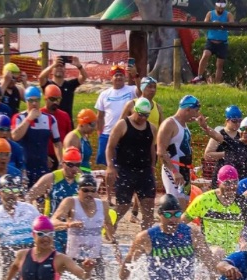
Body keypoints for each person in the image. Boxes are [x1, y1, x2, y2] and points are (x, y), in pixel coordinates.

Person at [119, 194, 218, 280]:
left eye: (177, 214)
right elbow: (128, 262)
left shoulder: (192, 234)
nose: (173, 219)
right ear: (159, 214)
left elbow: (210, 263)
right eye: (168, 215)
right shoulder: (146, 237)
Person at [157, 95, 223, 207]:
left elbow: (220, 139)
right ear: (187, 109)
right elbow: (161, 151)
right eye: (196, 111)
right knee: (176, 205)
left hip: (185, 171)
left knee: (185, 207)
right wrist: (174, 172)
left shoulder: (184, 126)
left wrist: (205, 127)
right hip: (174, 169)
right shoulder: (170, 124)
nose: (197, 115)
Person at [51, 172, 116, 280]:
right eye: (85, 190)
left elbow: (109, 225)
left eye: (92, 191)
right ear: (78, 190)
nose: (89, 194)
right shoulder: (70, 202)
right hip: (74, 258)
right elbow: (52, 222)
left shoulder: (103, 205)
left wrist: (114, 244)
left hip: (95, 258)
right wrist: (68, 224)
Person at [106, 96, 157, 231]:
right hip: (125, 170)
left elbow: (152, 149)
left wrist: (152, 167)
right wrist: (110, 166)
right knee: (123, 206)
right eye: (140, 115)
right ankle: (110, 229)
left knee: (149, 209)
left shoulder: (152, 128)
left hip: (144, 171)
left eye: (146, 115)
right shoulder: (122, 125)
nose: (143, 118)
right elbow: (110, 147)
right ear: (134, 110)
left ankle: (145, 237)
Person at [25, 149, 85, 253]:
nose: (74, 168)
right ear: (63, 163)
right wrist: (36, 219)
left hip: (74, 231)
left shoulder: (81, 181)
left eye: (77, 165)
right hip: (53, 231)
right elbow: (29, 197)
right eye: (70, 165)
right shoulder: (51, 178)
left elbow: (94, 202)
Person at [184, 165, 245, 256]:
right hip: (210, 249)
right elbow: (182, 222)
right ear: (218, 183)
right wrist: (196, 235)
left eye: (234, 182)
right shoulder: (204, 200)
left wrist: (243, 242)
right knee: (219, 252)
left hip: (234, 252)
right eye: (227, 183)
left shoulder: (243, 202)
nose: (231, 187)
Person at [13, 86, 63, 187]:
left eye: (37, 100)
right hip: (24, 168)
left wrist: (61, 161)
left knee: (43, 195)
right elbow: (15, 136)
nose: (34, 103)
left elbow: (57, 143)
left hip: (42, 168)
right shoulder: (19, 117)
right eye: (31, 101)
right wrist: (29, 119)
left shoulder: (50, 119)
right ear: (26, 101)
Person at [95, 64, 139, 166]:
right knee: (106, 164)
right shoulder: (104, 94)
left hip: (125, 134)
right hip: (107, 133)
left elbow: (141, 93)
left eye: (121, 75)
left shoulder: (131, 90)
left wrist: (135, 75)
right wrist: (100, 134)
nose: (118, 77)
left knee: (124, 163)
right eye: (116, 75)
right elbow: (100, 116)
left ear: (125, 77)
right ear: (111, 78)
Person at [206, 107, 247, 189]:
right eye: (234, 121)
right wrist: (227, 153)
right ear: (227, 120)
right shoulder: (231, 143)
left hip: (243, 183)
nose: (237, 123)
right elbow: (214, 138)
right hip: (225, 179)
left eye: (239, 121)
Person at [192, 2, 234, 85]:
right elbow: (205, 23)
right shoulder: (210, 14)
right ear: (216, 6)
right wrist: (213, 23)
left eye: (222, 8)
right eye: (219, 8)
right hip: (211, 41)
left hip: (222, 42)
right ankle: (199, 76)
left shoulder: (228, 15)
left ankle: (217, 83)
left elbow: (231, 23)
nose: (220, 10)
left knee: (220, 64)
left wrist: (221, 24)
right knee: (205, 55)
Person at [38, 55, 87, 123]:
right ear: (52, 70)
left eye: (61, 66)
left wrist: (79, 66)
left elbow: (84, 77)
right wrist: (53, 65)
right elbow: (41, 77)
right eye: (57, 66)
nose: (59, 68)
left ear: (65, 69)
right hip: (51, 122)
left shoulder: (69, 85)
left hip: (66, 122)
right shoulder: (48, 85)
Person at [42, 84, 73, 171]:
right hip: (43, 157)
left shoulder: (65, 116)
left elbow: (69, 138)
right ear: (45, 98)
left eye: (58, 99)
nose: (55, 102)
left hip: (61, 157)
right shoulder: (39, 115)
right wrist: (43, 156)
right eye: (52, 99)